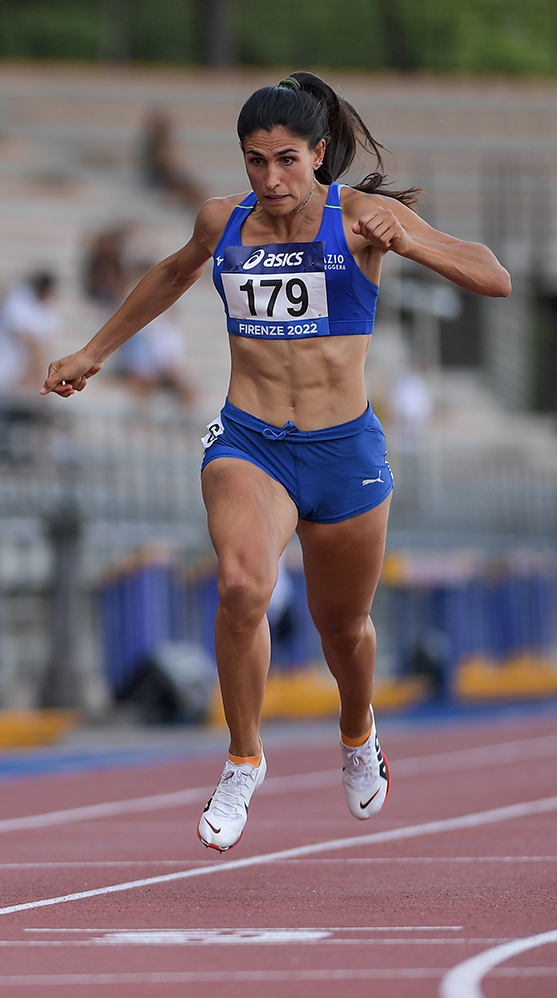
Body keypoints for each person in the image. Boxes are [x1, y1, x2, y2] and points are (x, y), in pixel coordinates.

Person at [42, 72, 510, 853]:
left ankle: (357, 732)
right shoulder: (223, 220)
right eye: (255, 161)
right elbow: (174, 272)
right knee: (241, 587)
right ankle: (243, 758)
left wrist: (411, 242)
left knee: (343, 626)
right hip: (251, 441)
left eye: (287, 160)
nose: (271, 178)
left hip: (344, 450)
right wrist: (94, 351)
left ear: (319, 154)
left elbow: (494, 276)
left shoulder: (361, 218)